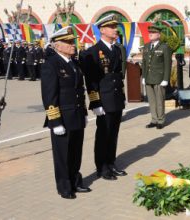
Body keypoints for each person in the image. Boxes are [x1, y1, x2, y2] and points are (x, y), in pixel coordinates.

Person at [41, 26, 91, 199]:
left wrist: (84, 113)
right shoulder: (51, 64)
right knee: (62, 155)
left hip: (76, 114)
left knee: (76, 152)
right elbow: (49, 96)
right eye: (68, 42)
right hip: (62, 118)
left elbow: (80, 90)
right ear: (57, 45)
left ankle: (75, 181)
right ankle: (64, 187)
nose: (73, 45)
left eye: (73, 42)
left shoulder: (74, 64)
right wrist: (55, 121)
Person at [80, 14, 127, 180]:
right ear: (102, 30)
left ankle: (111, 163)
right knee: (103, 135)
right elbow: (91, 81)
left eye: (116, 27)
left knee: (113, 133)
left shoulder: (116, 49)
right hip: (104, 100)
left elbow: (117, 75)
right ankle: (102, 167)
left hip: (116, 99)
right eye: (112, 27)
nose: (116, 29)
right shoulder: (92, 52)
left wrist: (122, 96)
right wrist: (95, 102)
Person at [141, 25, 172, 129]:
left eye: (153, 33)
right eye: (149, 32)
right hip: (149, 78)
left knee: (159, 101)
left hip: (159, 79)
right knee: (152, 101)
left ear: (158, 35)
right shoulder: (146, 46)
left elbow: (168, 64)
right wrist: (144, 77)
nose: (150, 34)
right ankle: (154, 119)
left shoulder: (164, 47)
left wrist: (166, 79)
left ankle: (161, 120)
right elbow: (144, 63)